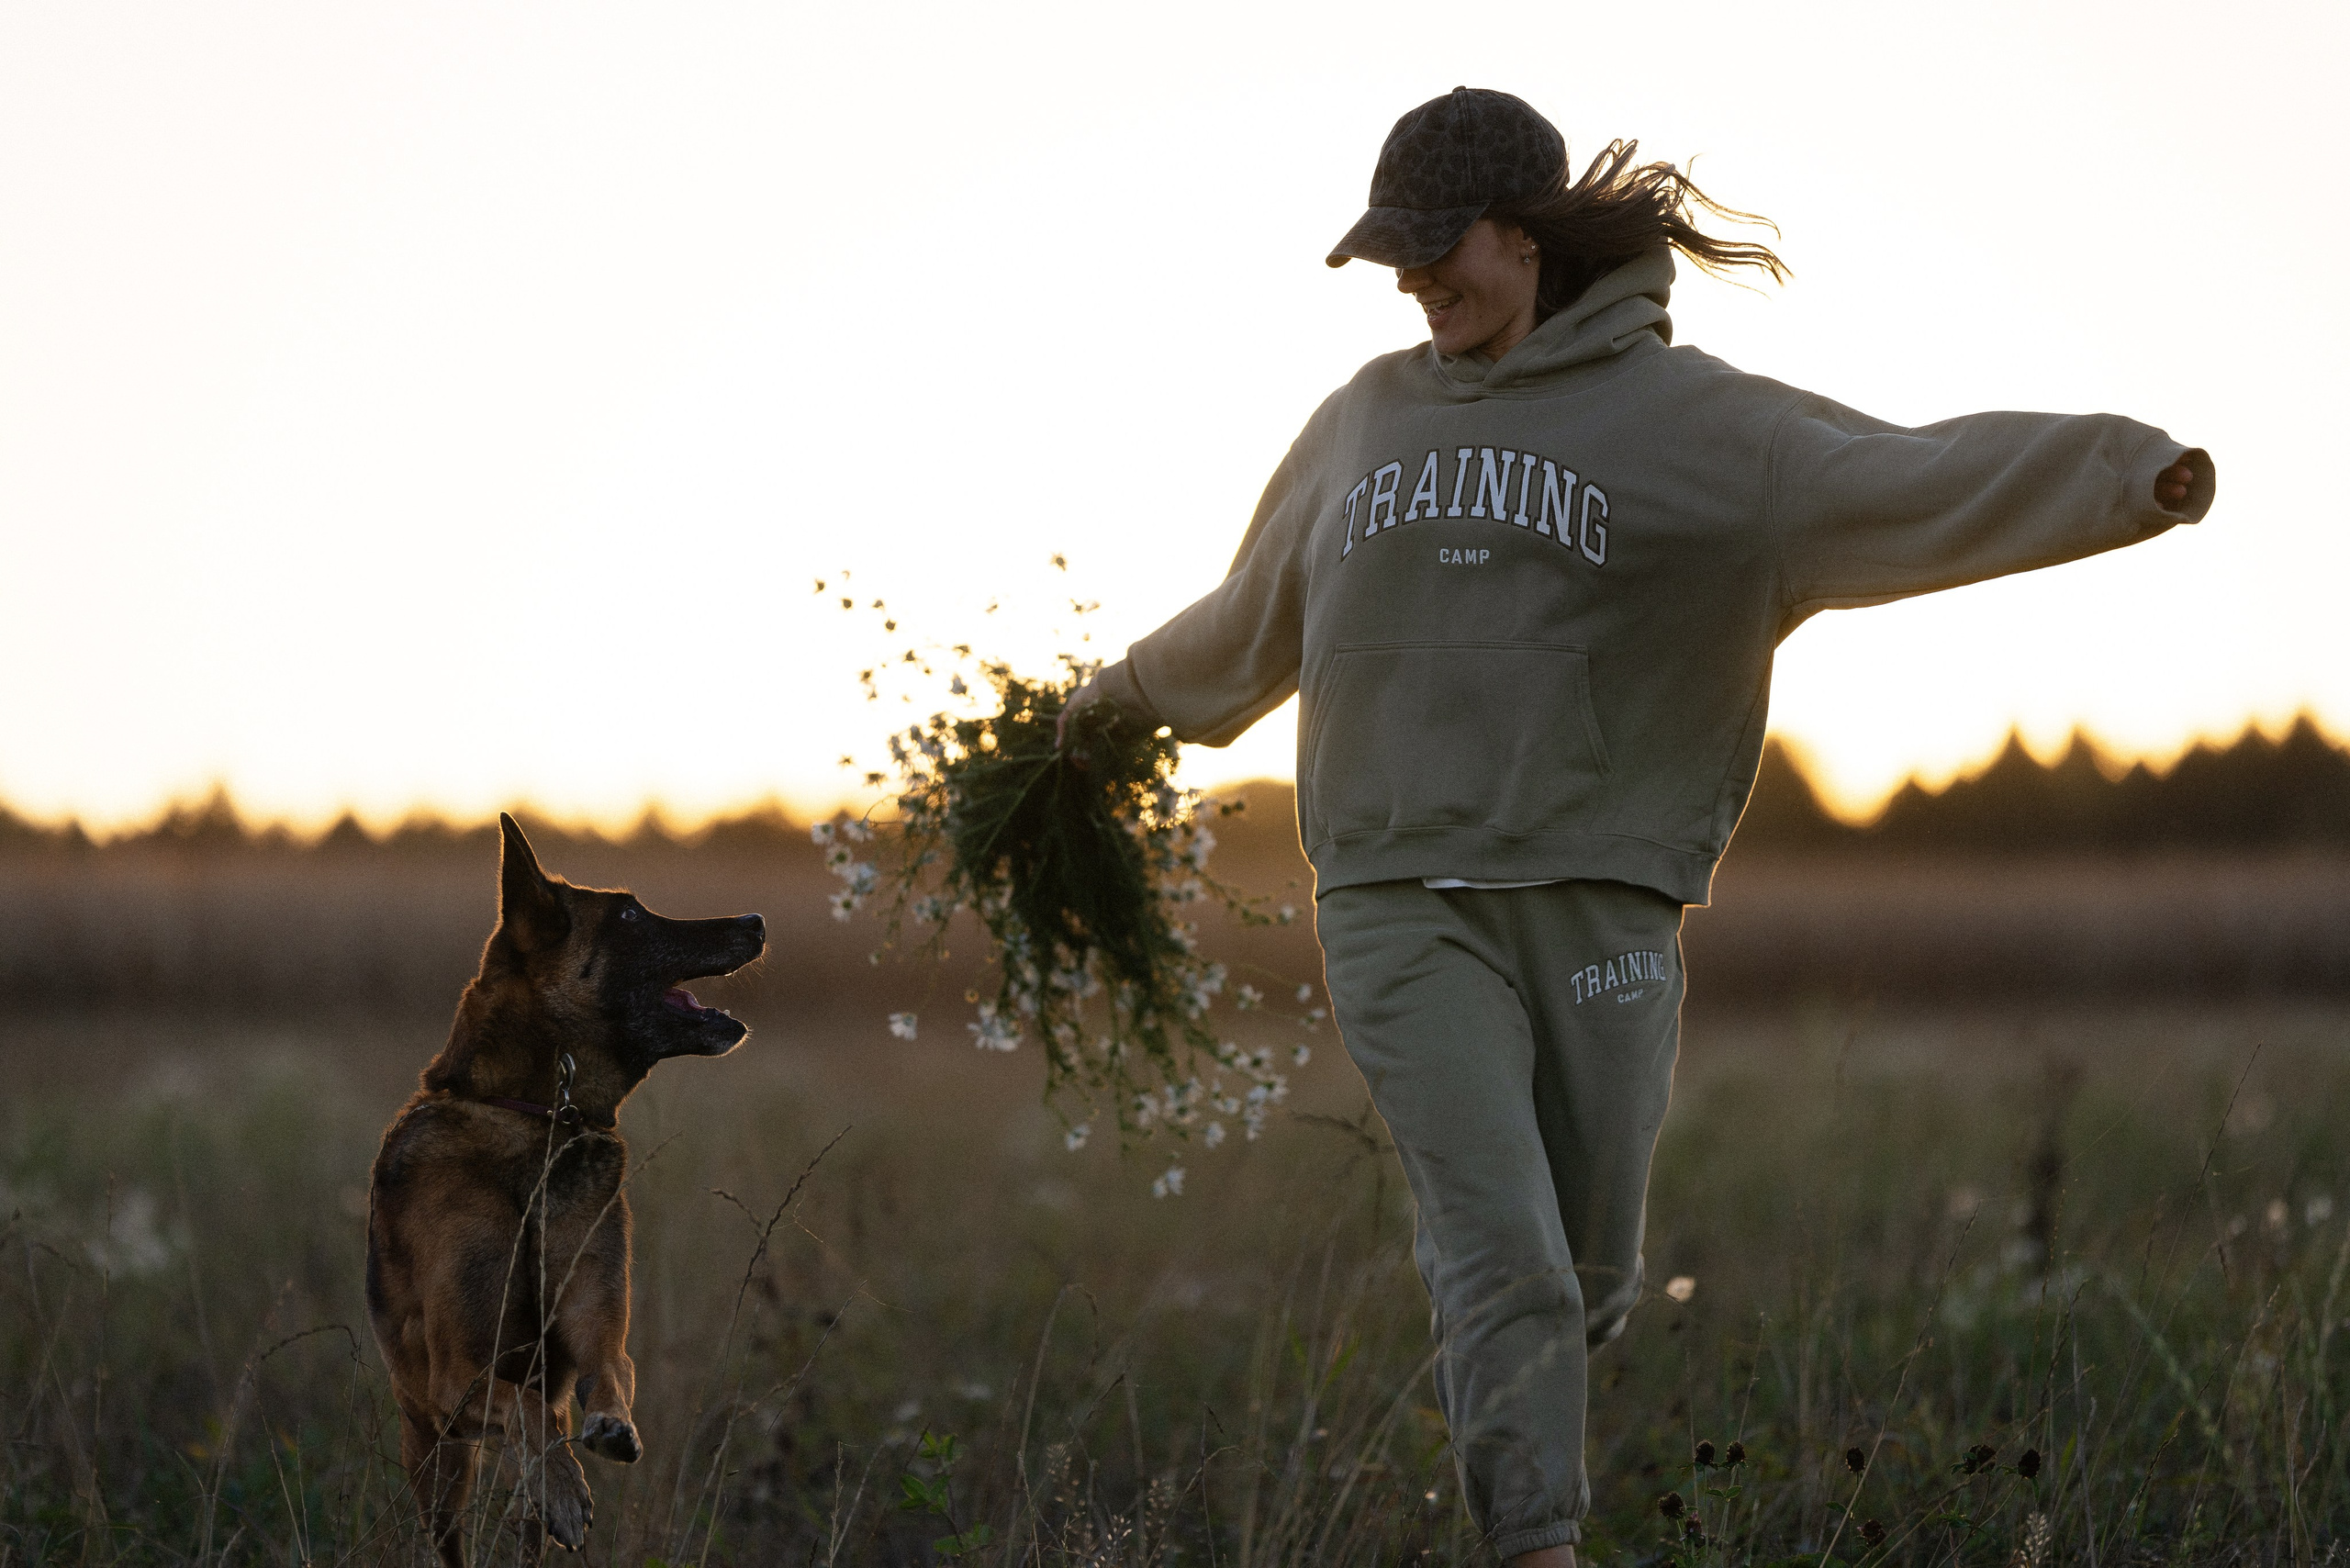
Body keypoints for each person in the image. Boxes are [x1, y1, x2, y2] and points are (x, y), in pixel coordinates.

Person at [1058, 86, 2212, 1566]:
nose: (1416, 281)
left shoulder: (1694, 424)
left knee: (1587, 1273)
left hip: (1606, 903)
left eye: (1436, 247)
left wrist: (2128, 477)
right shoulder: (1362, 422)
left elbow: (1908, 474)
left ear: (1527, 236)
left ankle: (1518, 1398)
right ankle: (1535, 1534)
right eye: (1394, 256)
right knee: (1509, 1263)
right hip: (1397, 898)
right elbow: (1246, 621)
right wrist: (1088, 719)